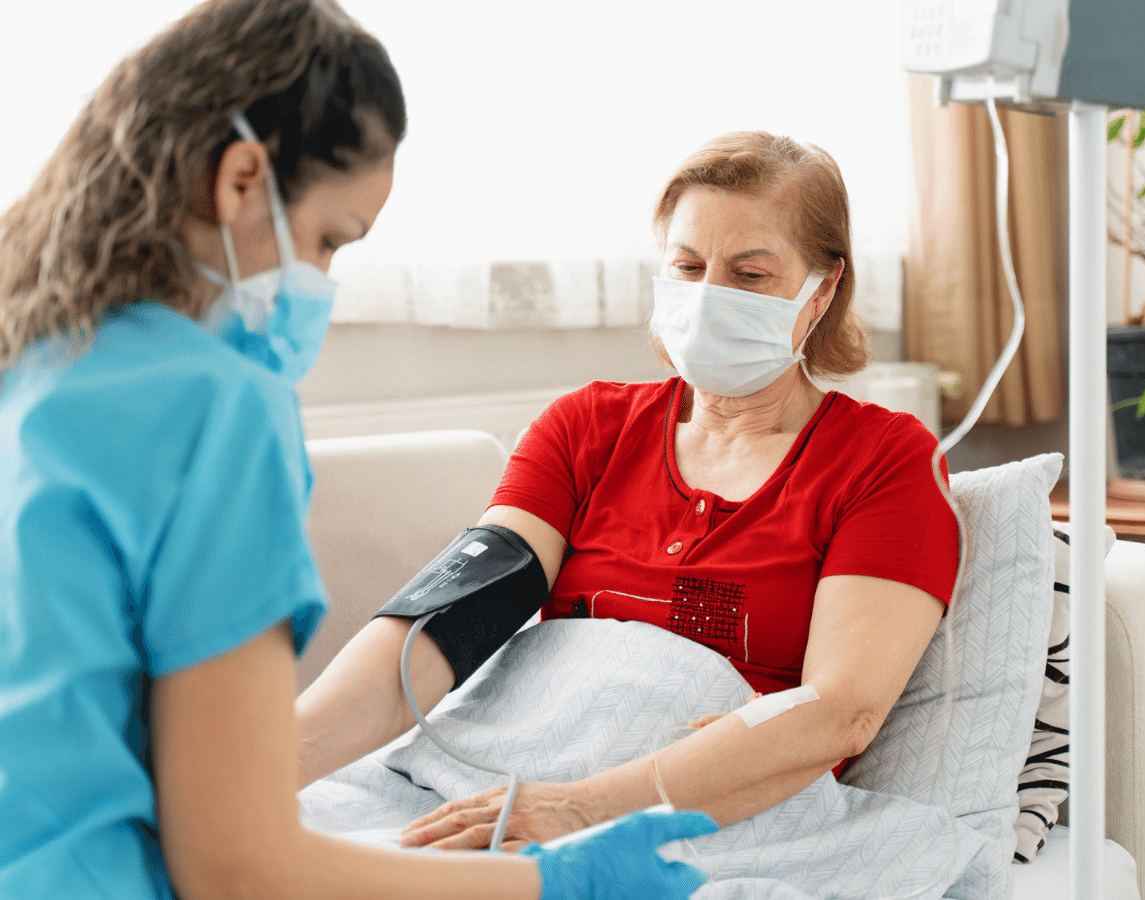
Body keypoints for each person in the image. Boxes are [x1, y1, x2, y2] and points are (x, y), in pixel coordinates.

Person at [0, 2, 715, 898]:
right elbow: (238, 865)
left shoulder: (30, 357)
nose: (323, 281)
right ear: (239, 179)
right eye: (328, 238)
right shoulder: (217, 407)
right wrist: (553, 885)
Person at [294, 131, 961, 850]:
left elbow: (841, 711)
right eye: (688, 265)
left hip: (694, 813)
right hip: (501, 774)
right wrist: (261, 767)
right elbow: (451, 619)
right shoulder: (586, 427)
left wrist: (581, 811)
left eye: (750, 274)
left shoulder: (884, 460)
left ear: (822, 288)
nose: (709, 298)